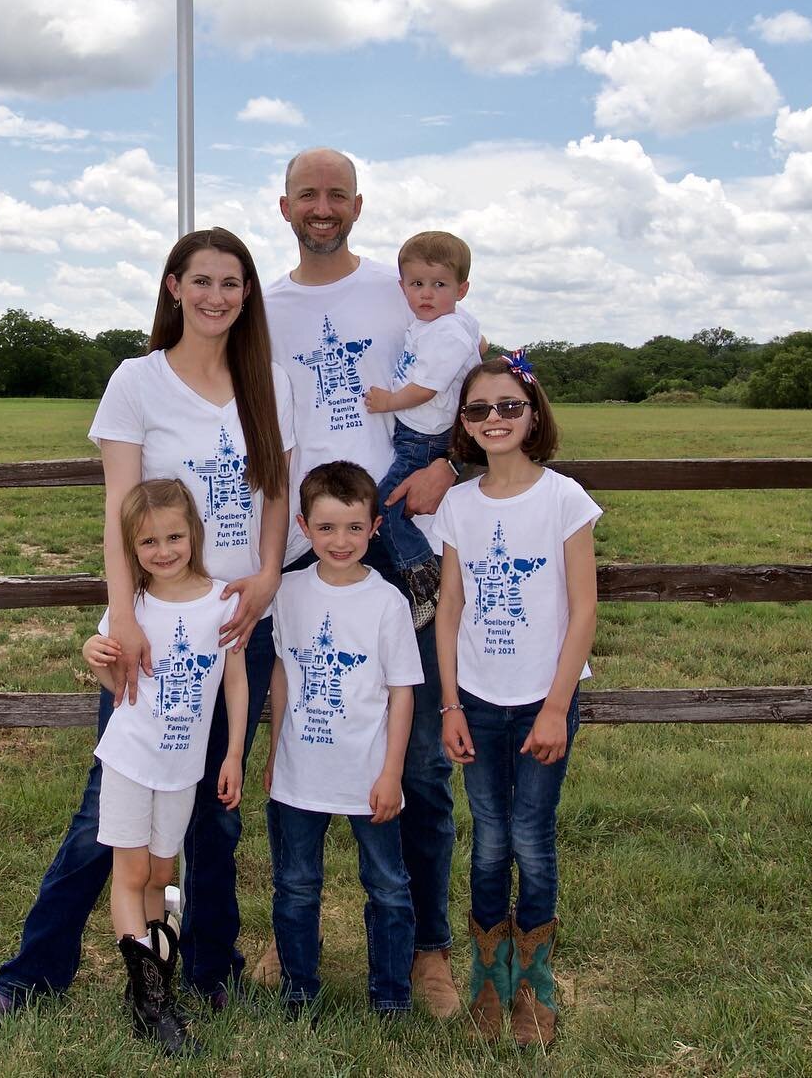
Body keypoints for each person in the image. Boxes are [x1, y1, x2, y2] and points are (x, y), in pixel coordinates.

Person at [0, 227, 293, 1028]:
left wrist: (270, 573)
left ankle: (212, 968)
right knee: (106, 809)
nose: (217, 295)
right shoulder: (136, 381)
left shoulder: (269, 380)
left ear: (247, 296)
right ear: (174, 285)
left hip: (237, 621)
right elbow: (119, 515)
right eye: (202, 280)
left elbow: (276, 493)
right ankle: (33, 973)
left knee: (217, 805)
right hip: (153, 629)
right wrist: (125, 620)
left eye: (233, 283)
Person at [262, 149, 463, 1016]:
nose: (323, 206)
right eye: (308, 193)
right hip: (307, 542)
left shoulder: (407, 290)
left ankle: (428, 948)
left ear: (358, 204)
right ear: (284, 206)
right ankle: (288, 931)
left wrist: (451, 461)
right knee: (298, 727)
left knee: (417, 763)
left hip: (394, 536)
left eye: (337, 193)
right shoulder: (261, 307)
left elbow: (492, 387)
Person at [434, 351, 600, 1049]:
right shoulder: (458, 504)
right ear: (464, 426)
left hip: (542, 700)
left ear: (533, 413)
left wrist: (558, 704)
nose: (494, 419)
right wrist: (449, 704)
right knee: (488, 839)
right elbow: (448, 607)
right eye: (479, 410)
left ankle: (535, 982)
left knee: (532, 837)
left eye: (508, 405)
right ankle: (487, 976)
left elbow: (585, 608)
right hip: (476, 697)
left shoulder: (563, 497)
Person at [87, 478, 247, 1055]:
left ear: (193, 534)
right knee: (131, 877)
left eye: (174, 536)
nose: (163, 550)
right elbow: (114, 679)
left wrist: (231, 754)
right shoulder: (129, 607)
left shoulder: (223, 599)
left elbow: (235, 679)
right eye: (148, 542)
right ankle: (154, 1003)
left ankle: (149, 985)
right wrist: (92, 652)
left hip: (185, 766)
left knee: (161, 877)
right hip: (131, 759)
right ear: (132, 548)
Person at [264, 462, 423, 1016]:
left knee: (387, 887)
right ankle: (299, 991)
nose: (340, 541)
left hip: (369, 773)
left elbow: (403, 692)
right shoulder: (286, 591)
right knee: (296, 885)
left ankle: (391, 996)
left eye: (354, 528)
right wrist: (273, 751)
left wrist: (392, 773)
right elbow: (283, 671)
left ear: (376, 527)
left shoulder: (387, 603)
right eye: (327, 528)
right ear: (304, 528)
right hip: (299, 771)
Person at [364, 230, 482, 625]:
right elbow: (478, 341)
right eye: (417, 285)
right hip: (417, 436)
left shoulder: (446, 329)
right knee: (390, 505)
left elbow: (428, 388)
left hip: (424, 440)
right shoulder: (438, 324)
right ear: (403, 287)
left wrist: (388, 401)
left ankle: (423, 579)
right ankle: (424, 575)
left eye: (439, 285)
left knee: (385, 504)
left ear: (461, 289)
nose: (427, 294)